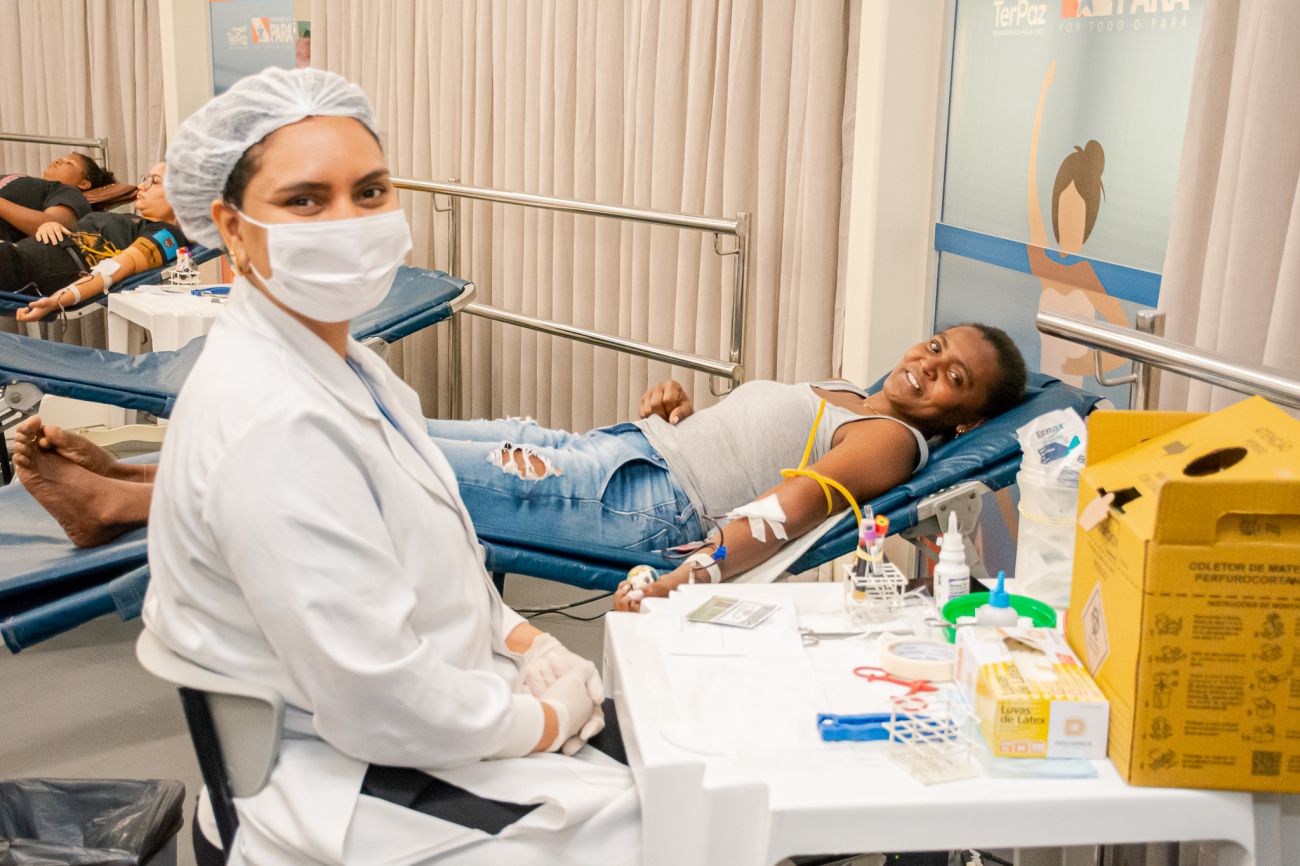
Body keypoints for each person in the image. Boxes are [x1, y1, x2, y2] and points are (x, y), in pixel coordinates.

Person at [141, 67, 634, 865]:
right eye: (306, 200)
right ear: (231, 227)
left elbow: (442, 565)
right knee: (651, 829)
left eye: (370, 192)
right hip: (343, 778)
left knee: (667, 782)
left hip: (433, 717)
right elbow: (380, 701)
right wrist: (544, 721)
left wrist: (524, 642)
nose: (348, 222)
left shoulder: (351, 366)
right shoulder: (272, 420)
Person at [14, 319, 1027, 587]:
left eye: (954, 379)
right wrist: (679, 413)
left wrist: (692, 576)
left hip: (638, 503)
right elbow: (759, 449)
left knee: (366, 459)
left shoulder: (890, 438)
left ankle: (122, 506)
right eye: (935, 347)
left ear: (960, 419)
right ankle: (136, 477)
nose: (928, 367)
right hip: (618, 456)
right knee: (374, 428)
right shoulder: (855, 392)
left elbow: (796, 503)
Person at [9, 163, 186, 319]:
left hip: (31, 269)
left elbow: (117, 268)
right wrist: (50, 226)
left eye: (155, 182)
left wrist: (60, 298)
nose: (141, 186)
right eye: (145, 179)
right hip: (18, 253)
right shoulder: (126, 219)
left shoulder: (167, 234)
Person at [0, 153, 102, 242]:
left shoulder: (66, 190)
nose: (57, 161)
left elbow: (53, 225)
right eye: (61, 159)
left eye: (69, 163)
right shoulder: (34, 182)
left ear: (83, 184)